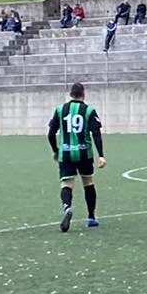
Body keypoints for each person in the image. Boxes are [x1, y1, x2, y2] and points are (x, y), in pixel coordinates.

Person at [47, 81, 105, 231]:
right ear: (83, 95)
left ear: (70, 95)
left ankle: (67, 207)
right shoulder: (89, 110)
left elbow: (51, 133)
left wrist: (55, 150)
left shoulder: (60, 110)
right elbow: (96, 133)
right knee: (88, 182)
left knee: (67, 184)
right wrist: (101, 155)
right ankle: (91, 217)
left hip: (65, 153)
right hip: (84, 153)